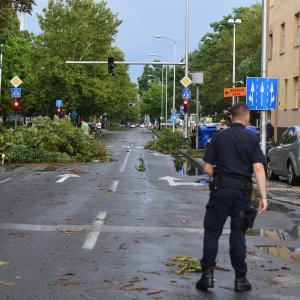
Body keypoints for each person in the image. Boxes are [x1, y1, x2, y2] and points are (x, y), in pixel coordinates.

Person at [196, 102, 268, 293]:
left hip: (220, 192)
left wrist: (220, 177)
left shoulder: (219, 137)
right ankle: (240, 279)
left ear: (230, 118)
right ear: (247, 119)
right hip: (241, 195)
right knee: (238, 235)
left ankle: (207, 276)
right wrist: (263, 196)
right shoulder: (251, 139)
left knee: (212, 233)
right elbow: (259, 168)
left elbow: (207, 168)